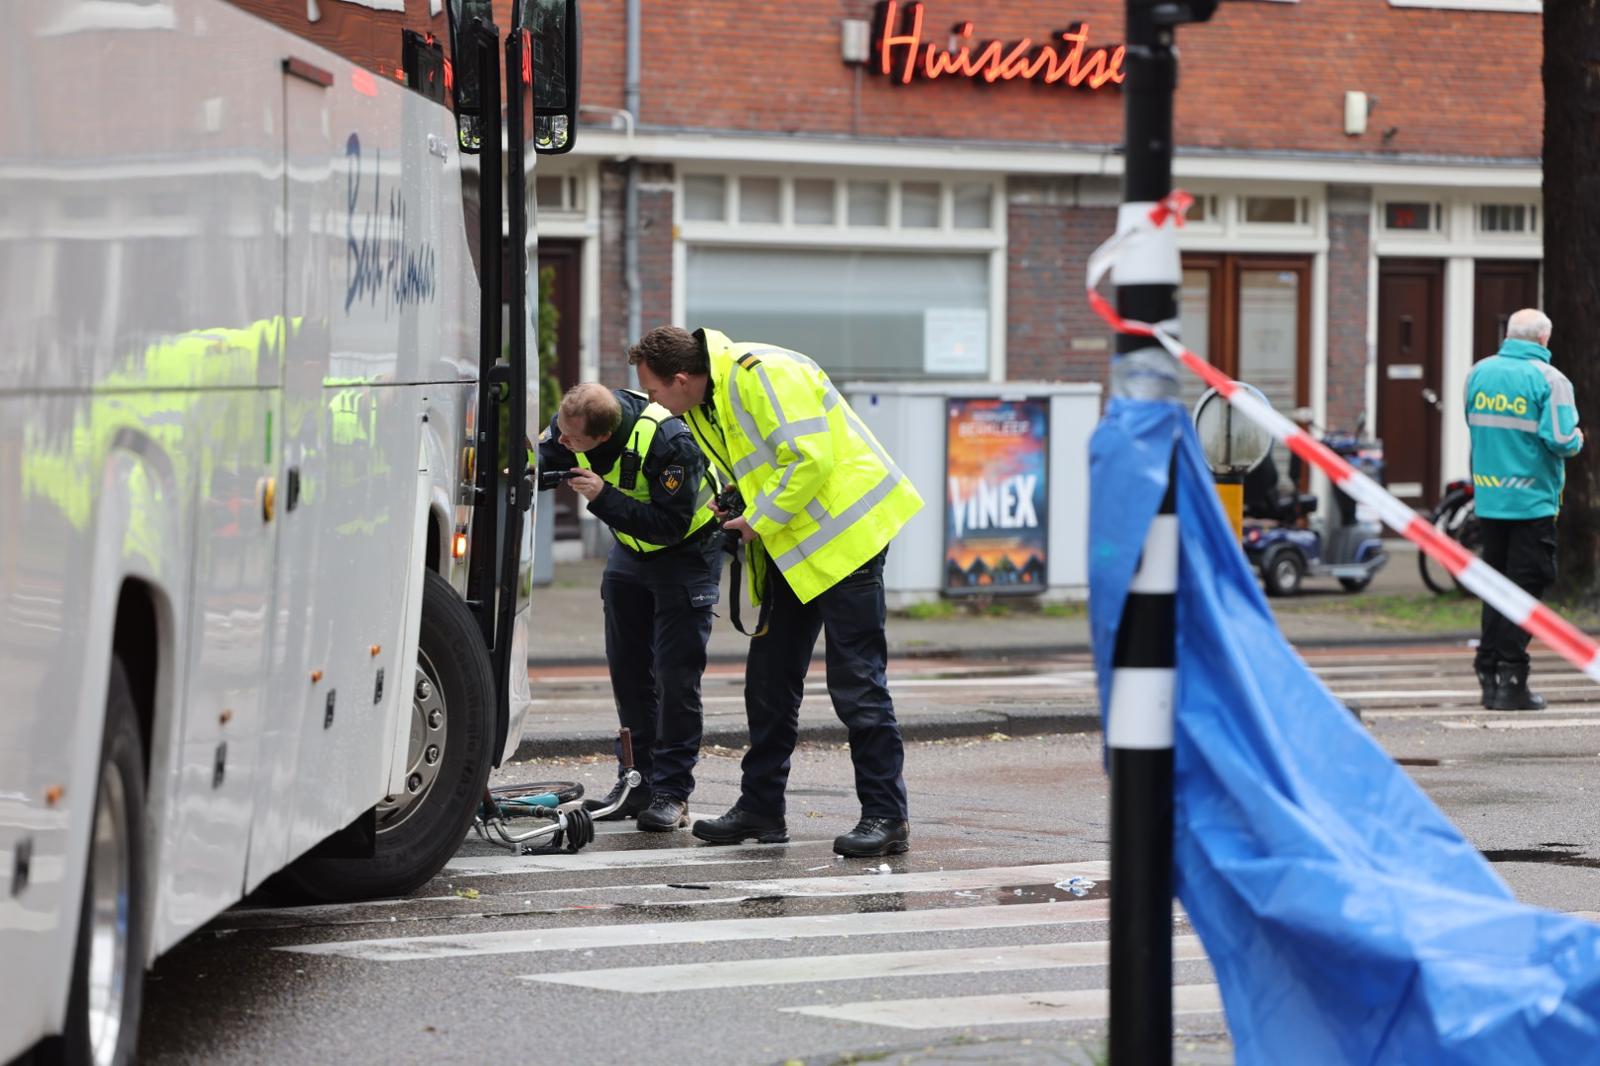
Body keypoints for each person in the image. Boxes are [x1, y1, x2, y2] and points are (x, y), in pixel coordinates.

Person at [627, 326, 924, 858]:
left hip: (847, 539)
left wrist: (757, 519)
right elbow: (766, 459)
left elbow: (809, 458)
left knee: (856, 682)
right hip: (797, 545)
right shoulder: (705, 399)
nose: (653, 404)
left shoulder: (761, 374)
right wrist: (741, 497)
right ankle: (762, 808)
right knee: (768, 681)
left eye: (652, 392)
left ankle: (886, 816)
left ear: (679, 378)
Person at [536, 383, 723, 831]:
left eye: (573, 440)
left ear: (602, 437)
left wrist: (602, 497)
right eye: (560, 432)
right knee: (628, 671)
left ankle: (673, 794)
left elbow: (669, 525)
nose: (563, 443)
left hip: (684, 555)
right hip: (629, 552)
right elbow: (543, 460)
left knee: (676, 679)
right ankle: (637, 785)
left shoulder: (668, 442)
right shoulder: (573, 422)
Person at [1464, 308, 1583, 710]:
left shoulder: (1478, 373)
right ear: (1543, 340)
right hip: (1531, 502)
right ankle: (1512, 680)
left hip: (1489, 497)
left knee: (1495, 589)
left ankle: (1488, 675)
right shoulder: (1551, 379)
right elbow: (1562, 439)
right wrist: (1578, 437)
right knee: (1525, 589)